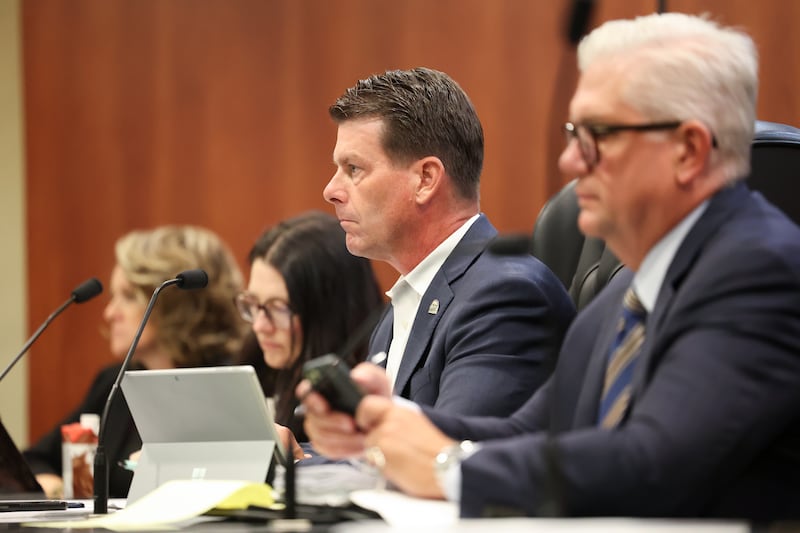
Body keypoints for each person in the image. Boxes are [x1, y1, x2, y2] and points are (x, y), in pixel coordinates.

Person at [300, 13, 800, 520]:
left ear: (688, 151)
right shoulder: (624, 293)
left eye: (598, 135)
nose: (570, 162)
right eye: (572, 134)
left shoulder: (760, 271)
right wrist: (387, 424)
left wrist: (453, 468)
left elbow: (656, 461)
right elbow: (527, 432)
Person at [321, 67, 575, 417]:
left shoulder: (505, 295)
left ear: (425, 179)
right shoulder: (405, 302)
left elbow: (453, 444)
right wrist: (299, 448)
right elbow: (375, 445)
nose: (331, 190)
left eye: (353, 169)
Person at [23, 225, 248, 498]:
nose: (109, 313)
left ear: (177, 305)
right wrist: (61, 491)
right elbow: (33, 462)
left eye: (128, 296)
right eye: (113, 297)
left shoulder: (229, 386)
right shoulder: (115, 383)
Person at [234, 210, 384, 442]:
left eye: (278, 307)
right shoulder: (255, 364)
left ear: (328, 311)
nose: (260, 326)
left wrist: (302, 457)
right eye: (253, 303)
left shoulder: (366, 390)